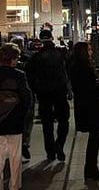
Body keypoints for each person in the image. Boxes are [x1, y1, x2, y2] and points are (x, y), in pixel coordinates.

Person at [0, 44, 31, 190]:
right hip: (15, 121)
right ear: (13, 59)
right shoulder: (19, 75)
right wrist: (22, 114)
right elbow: (27, 99)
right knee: (15, 157)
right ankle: (15, 185)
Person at [24, 29, 71, 161]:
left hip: (44, 93)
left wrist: (36, 89)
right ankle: (59, 146)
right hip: (60, 92)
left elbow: (29, 75)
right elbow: (68, 70)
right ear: (51, 37)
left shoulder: (36, 57)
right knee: (63, 120)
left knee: (47, 124)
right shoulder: (61, 53)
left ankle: (50, 151)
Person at [68, 42, 99, 183]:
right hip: (90, 107)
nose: (91, 51)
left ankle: (91, 169)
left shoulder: (77, 66)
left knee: (94, 140)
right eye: (89, 49)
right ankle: (90, 170)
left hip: (87, 107)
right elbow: (87, 88)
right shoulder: (82, 68)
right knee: (94, 140)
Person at [10, 37, 35, 160]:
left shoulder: (6, 60)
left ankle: (17, 144)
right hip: (25, 93)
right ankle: (24, 141)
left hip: (12, 95)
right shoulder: (28, 58)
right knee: (27, 119)